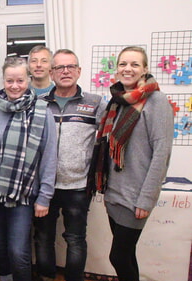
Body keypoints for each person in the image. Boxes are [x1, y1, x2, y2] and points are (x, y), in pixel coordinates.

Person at [88, 46, 173, 281]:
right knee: (127, 256)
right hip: (114, 194)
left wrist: (146, 198)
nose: (128, 69)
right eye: (123, 64)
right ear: (117, 69)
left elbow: (162, 153)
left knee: (118, 256)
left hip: (136, 196)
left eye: (135, 64)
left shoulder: (156, 101)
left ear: (145, 69)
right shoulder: (115, 102)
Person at [0, 57, 57, 281]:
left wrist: (44, 196)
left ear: (29, 80)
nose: (14, 86)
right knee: (0, 245)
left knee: (18, 251)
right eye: (9, 80)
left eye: (20, 80)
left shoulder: (43, 112)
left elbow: (50, 156)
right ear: (3, 80)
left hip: (23, 193)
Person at [34, 49, 106, 281]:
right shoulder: (39, 103)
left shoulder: (95, 103)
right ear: (51, 73)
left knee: (75, 239)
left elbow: (106, 143)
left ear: (78, 71)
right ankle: (46, 277)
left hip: (78, 186)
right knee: (43, 237)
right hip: (45, 186)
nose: (65, 71)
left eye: (70, 66)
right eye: (59, 68)